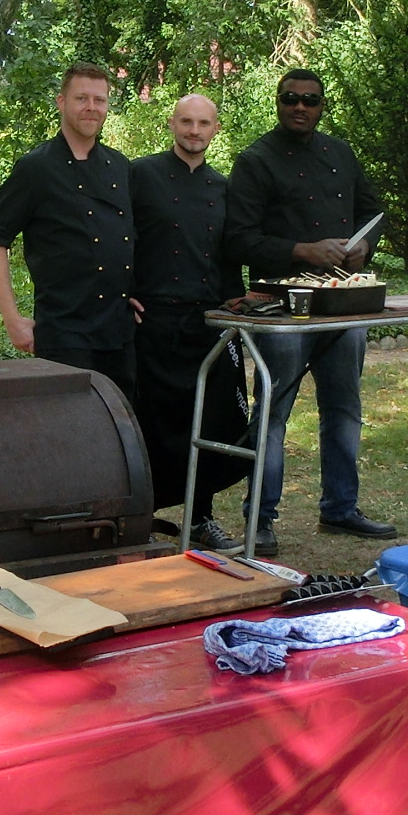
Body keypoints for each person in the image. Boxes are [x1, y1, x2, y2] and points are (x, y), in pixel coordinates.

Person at [222, 67, 396, 554]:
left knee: (343, 408)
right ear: (277, 102)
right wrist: (303, 249)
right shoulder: (255, 160)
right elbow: (237, 239)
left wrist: (365, 246)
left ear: (322, 105)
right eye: (291, 98)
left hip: (341, 302)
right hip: (282, 307)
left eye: (311, 100)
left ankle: (340, 508)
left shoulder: (340, 153)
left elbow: (372, 211)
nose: (301, 107)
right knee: (273, 412)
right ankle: (260, 518)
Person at [130, 94, 248, 552]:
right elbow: (122, 240)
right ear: (172, 124)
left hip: (206, 321)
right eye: (186, 122)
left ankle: (201, 518)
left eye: (203, 123)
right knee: (149, 421)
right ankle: (141, 515)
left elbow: (229, 254)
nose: (194, 130)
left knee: (209, 422)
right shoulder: (140, 176)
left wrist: (236, 300)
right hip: (152, 321)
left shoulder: (223, 187)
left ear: (215, 128)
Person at [0, 64, 138, 389]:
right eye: (82, 98)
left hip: (119, 334)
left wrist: (135, 291)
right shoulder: (35, 168)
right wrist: (12, 319)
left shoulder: (120, 166)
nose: (91, 107)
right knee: (69, 434)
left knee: (119, 432)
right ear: (61, 102)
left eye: (99, 100)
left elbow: (129, 238)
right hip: (64, 334)